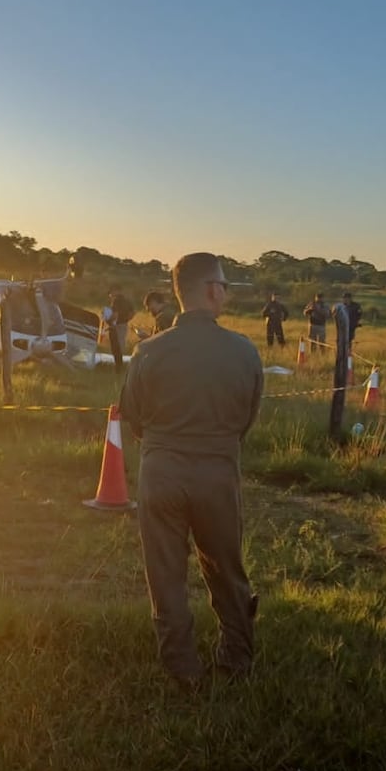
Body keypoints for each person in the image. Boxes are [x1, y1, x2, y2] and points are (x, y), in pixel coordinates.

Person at [121, 252, 263, 690]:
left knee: (164, 573)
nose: (225, 292)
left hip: (161, 471)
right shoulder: (244, 351)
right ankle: (236, 655)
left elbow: (132, 415)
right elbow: (246, 418)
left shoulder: (147, 351)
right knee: (225, 567)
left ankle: (181, 665)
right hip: (217, 472)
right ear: (210, 289)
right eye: (223, 284)